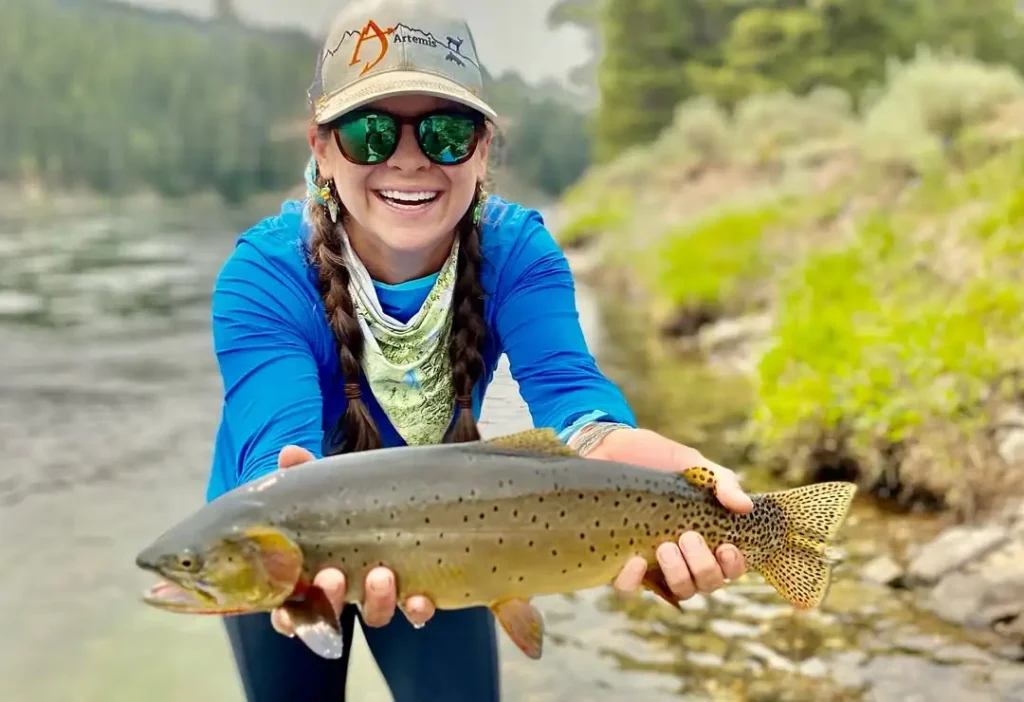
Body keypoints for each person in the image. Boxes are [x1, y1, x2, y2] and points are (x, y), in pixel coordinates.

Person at [206, 0, 751, 699]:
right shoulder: (262, 274)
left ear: (483, 147)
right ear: (321, 147)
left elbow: (576, 404)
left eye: (445, 131)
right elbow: (271, 457)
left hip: (456, 533)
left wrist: (631, 458)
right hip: (286, 555)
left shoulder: (518, 250)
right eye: (371, 134)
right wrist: (282, 532)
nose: (409, 159)